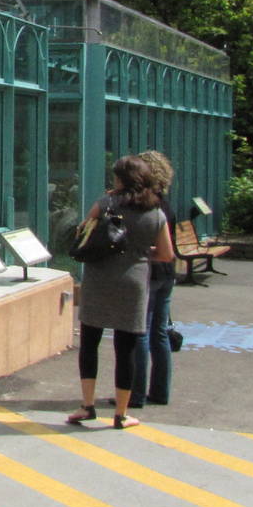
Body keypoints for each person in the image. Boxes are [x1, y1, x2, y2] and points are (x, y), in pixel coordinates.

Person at [67, 154, 175, 429]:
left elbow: (83, 233)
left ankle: (87, 406)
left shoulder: (105, 204)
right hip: (134, 283)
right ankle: (122, 414)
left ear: (120, 179)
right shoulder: (156, 212)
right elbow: (166, 254)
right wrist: (141, 252)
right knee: (125, 349)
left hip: (99, 279)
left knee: (89, 343)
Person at [129, 149, 178, 409]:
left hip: (150, 273)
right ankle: (160, 392)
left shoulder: (148, 206)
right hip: (168, 274)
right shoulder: (166, 204)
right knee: (159, 333)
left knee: (141, 333)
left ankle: (134, 394)